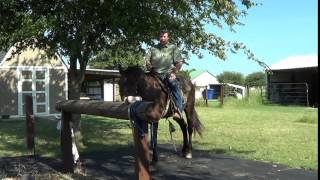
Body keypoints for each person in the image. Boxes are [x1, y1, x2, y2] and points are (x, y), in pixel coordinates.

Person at [145, 29, 185, 119]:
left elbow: (179, 62)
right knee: (141, 82)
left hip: (168, 73)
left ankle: (178, 110)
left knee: (173, 84)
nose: (162, 38)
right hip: (154, 73)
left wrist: (174, 72)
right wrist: (148, 65)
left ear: (168, 37)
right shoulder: (152, 49)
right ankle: (137, 105)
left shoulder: (173, 47)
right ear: (158, 37)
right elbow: (147, 60)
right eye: (161, 36)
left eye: (164, 36)